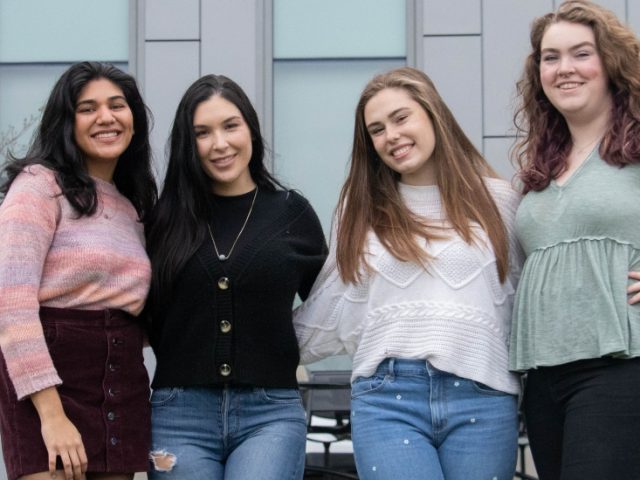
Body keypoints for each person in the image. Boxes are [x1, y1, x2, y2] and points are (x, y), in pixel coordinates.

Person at [293, 66, 523, 480]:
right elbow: (332, 304)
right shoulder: (359, 210)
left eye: (401, 118)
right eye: (376, 130)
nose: (391, 136)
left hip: (484, 398)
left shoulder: (500, 201)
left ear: (433, 114)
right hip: (388, 400)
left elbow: (537, 291)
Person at [144, 74, 327, 479]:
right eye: (202, 133)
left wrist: (289, 349)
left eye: (231, 126)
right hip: (178, 415)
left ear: (251, 129)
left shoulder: (292, 213)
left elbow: (333, 305)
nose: (220, 144)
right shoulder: (162, 220)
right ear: (187, 145)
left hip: (270, 414)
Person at [0, 62, 157, 480]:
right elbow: (11, 307)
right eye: (87, 108)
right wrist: (51, 416)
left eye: (117, 105)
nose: (106, 117)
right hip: (46, 388)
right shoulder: (37, 186)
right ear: (66, 122)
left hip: (121, 382)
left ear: (134, 119)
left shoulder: (134, 205)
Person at [509, 1, 640, 478]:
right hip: (544, 378)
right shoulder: (540, 169)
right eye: (550, 57)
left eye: (581, 54)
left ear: (610, 62)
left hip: (620, 366)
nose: (564, 68)